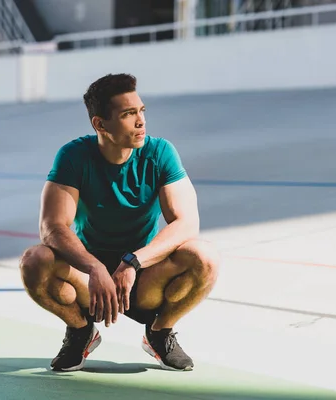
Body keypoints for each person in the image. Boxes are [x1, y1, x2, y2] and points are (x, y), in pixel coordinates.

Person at [18, 73, 219, 372]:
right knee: (35, 260)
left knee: (204, 257)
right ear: (100, 124)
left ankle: (160, 333)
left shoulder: (160, 152)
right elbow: (53, 227)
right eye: (128, 114)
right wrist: (95, 267)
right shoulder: (73, 156)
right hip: (90, 282)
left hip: (143, 277)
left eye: (141, 111)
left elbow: (186, 223)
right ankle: (80, 331)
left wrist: (133, 262)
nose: (141, 122)